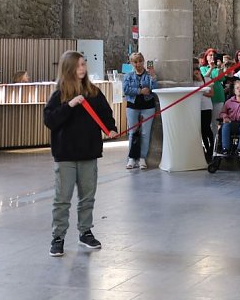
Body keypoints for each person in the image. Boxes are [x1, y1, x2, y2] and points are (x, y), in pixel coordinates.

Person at [43, 50, 119, 257]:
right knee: (62, 198)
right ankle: (57, 237)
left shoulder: (94, 92)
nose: (83, 69)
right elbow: (50, 120)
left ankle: (85, 232)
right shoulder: (59, 94)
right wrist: (70, 105)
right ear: (69, 68)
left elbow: (105, 114)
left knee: (87, 197)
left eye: (84, 65)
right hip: (66, 154)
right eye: (78, 65)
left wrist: (111, 128)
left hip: (88, 152)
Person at [122, 52, 158, 170]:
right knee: (133, 132)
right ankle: (132, 158)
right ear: (132, 63)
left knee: (145, 133)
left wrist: (153, 77)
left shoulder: (148, 75)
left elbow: (155, 89)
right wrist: (139, 91)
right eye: (135, 62)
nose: (138, 64)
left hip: (148, 106)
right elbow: (126, 90)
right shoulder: (128, 76)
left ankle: (142, 158)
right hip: (132, 106)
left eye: (140, 61)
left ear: (143, 61)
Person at [217, 81, 240, 157]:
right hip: (231, 123)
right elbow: (222, 113)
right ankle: (225, 149)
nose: (239, 90)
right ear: (234, 91)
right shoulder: (228, 102)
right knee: (225, 125)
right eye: (237, 88)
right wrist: (225, 117)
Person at [200, 48, 226, 138]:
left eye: (213, 55)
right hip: (207, 98)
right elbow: (204, 77)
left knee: (216, 122)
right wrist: (211, 68)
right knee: (207, 122)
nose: (212, 57)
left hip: (217, 97)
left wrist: (219, 68)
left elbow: (222, 78)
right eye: (210, 55)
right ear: (206, 57)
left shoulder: (216, 68)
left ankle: (215, 142)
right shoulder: (202, 68)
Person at [193, 67, 215, 159]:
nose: (196, 75)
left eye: (197, 73)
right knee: (202, 129)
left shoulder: (207, 79)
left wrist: (201, 93)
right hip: (198, 108)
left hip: (207, 107)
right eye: (195, 74)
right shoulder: (193, 83)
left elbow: (211, 94)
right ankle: (207, 150)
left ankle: (212, 147)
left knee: (207, 127)